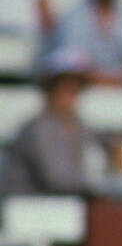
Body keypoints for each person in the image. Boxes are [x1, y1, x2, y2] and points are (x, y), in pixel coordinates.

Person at [0, 49, 106, 196]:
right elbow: (56, 179)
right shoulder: (36, 129)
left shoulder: (79, 125)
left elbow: (107, 153)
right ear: (49, 89)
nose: (70, 94)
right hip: (27, 209)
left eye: (77, 87)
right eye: (64, 86)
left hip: (61, 208)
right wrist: (101, 187)